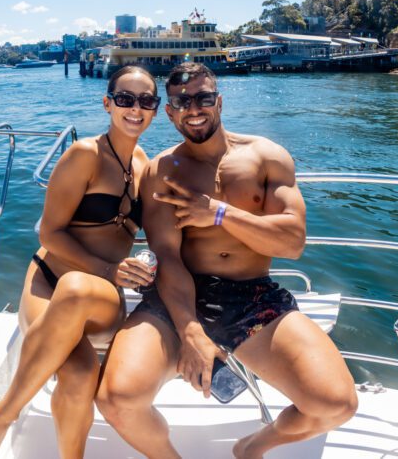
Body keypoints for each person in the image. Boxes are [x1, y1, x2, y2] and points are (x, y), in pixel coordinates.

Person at [97, 62, 358, 459]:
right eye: (182, 101)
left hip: (251, 295)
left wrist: (218, 213)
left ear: (218, 101)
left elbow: (292, 242)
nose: (194, 108)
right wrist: (191, 332)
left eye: (203, 98)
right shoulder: (163, 171)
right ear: (169, 111)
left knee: (336, 404)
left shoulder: (266, 157)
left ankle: (250, 448)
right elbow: (168, 258)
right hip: (178, 297)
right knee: (116, 400)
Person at [0, 66, 159, 459]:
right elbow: (50, 234)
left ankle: (1, 416)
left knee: (77, 289)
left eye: (146, 101)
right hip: (48, 280)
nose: (135, 109)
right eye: (125, 99)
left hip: (99, 293)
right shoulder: (83, 154)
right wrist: (109, 268)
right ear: (108, 104)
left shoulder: (145, 166)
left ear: (154, 109)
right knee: (80, 372)